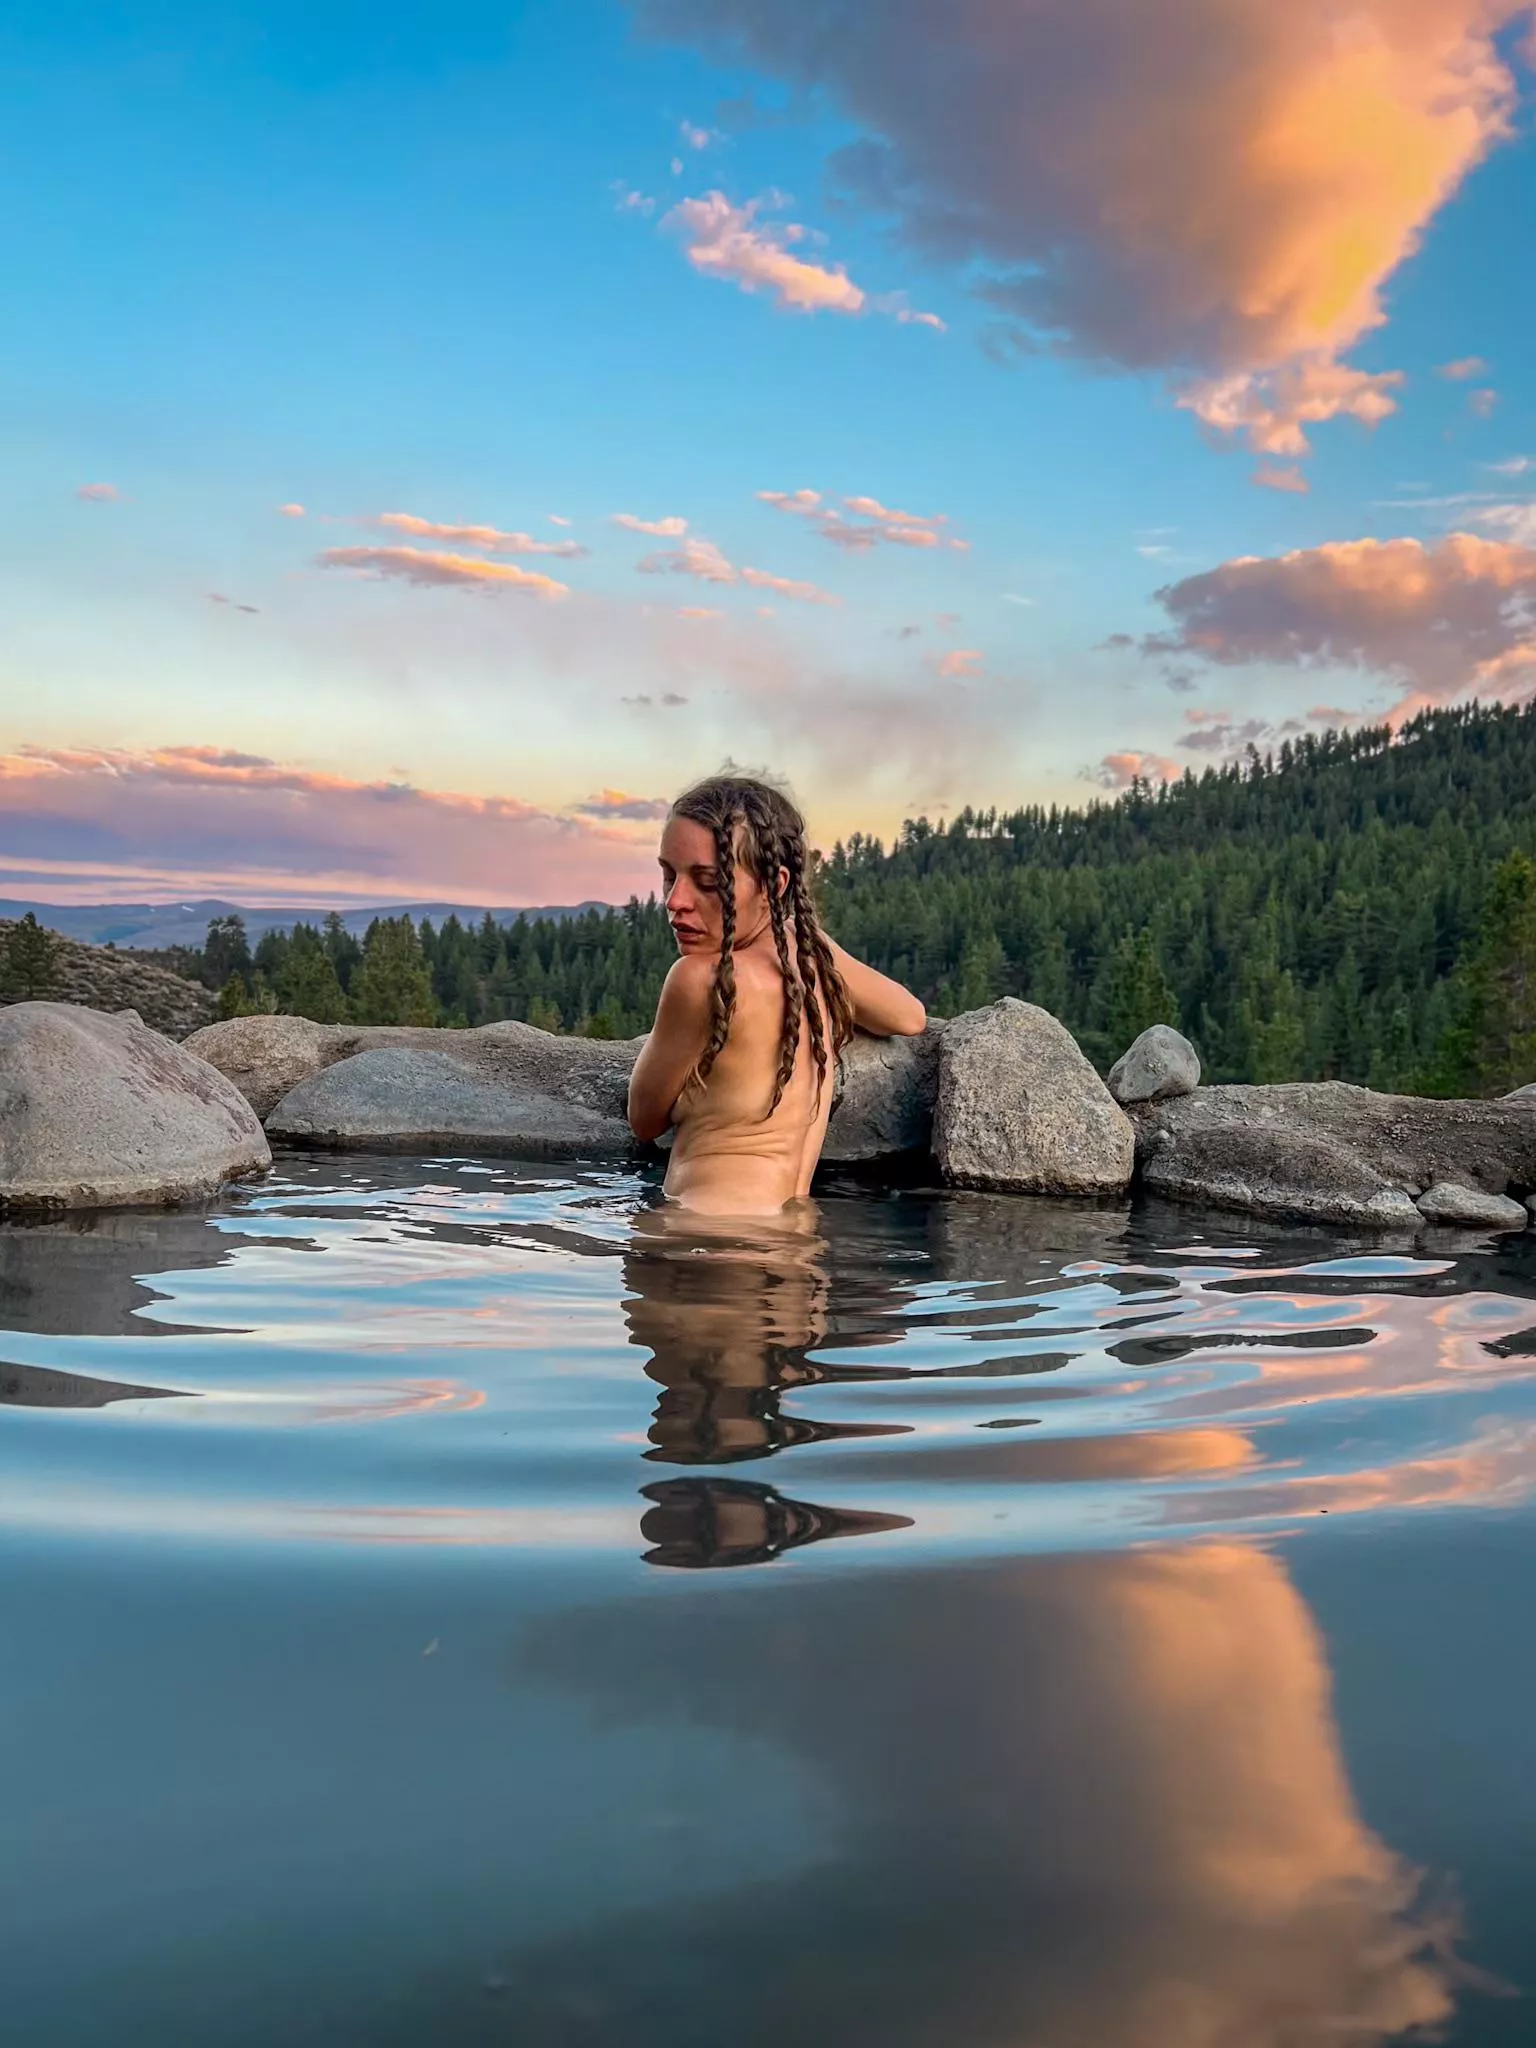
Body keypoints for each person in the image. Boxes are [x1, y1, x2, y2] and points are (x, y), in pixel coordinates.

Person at [627, 771, 926, 1216]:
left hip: (699, 1238)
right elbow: (909, 1017)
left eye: (708, 882)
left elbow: (644, 1120)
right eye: (670, 875)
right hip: (792, 1242)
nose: (675, 901)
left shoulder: (700, 980)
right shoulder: (811, 956)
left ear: (774, 885)